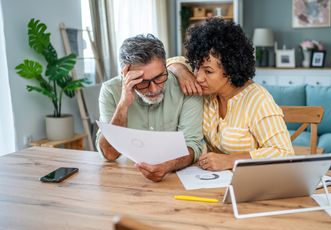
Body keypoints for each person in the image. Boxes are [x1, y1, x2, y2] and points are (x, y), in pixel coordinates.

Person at [167, 18, 294, 171]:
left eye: (208, 71)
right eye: (196, 67)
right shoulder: (208, 92)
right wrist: (180, 71)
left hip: (251, 184)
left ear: (231, 69)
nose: (198, 77)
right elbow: (174, 61)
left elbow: (284, 153)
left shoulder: (258, 100)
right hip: (214, 183)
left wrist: (231, 160)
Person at [97, 34, 203, 182]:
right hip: (127, 177)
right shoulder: (110, 90)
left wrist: (168, 165)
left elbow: (193, 145)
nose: (153, 89)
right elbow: (109, 154)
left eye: (159, 77)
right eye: (142, 82)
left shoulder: (186, 87)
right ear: (125, 74)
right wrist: (123, 104)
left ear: (166, 65)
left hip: (176, 179)